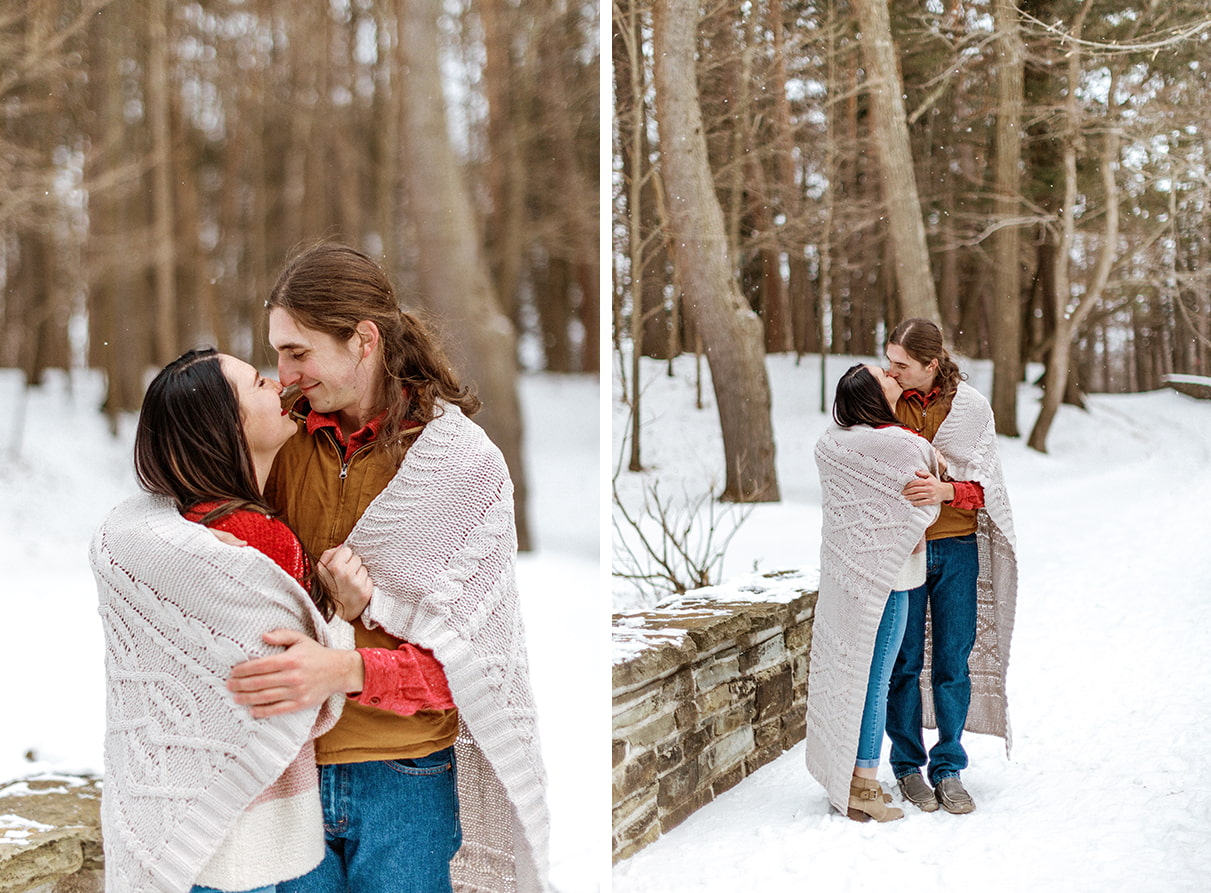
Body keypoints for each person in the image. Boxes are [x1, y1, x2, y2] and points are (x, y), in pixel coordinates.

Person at [223, 242, 550, 893]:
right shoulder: (277, 441)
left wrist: (344, 668)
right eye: (277, 351)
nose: (283, 372)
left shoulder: (460, 465)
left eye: (298, 351)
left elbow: (474, 668)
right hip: (289, 769)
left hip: (406, 778)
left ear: (363, 339)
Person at [883, 318, 1018, 815]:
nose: (891, 370)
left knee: (951, 663)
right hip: (904, 550)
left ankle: (949, 767)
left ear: (930, 364)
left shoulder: (970, 408)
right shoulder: (885, 400)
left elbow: (988, 490)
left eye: (901, 364)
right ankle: (906, 765)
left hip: (957, 547)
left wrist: (945, 491)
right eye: (889, 359)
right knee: (903, 661)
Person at [806, 363, 940, 822]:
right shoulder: (900, 444)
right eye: (883, 374)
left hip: (850, 578)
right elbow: (925, 480)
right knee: (874, 680)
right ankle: (862, 784)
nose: (891, 374)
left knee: (852, 676)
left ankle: (845, 775)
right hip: (890, 579)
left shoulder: (833, 442)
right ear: (872, 394)